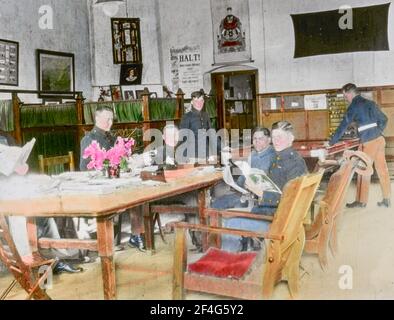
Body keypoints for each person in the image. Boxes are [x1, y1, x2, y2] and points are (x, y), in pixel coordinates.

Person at [0, 131, 82, 274]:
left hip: (13, 187)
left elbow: (17, 164)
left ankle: (57, 259)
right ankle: (25, 259)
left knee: (44, 213)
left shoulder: (5, 137)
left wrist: (22, 168)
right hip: (5, 196)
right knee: (19, 214)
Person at [221, 121, 308, 252]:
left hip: (278, 221)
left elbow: (289, 200)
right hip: (275, 214)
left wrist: (260, 193)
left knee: (230, 223)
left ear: (291, 138)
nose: (276, 140)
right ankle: (243, 257)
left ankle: (229, 266)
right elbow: (278, 189)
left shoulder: (293, 163)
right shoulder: (284, 158)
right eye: (274, 137)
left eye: (281, 136)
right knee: (233, 215)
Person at [79, 105, 145, 251]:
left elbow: (120, 160)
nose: (109, 123)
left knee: (138, 192)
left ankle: (136, 234)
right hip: (98, 186)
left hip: (114, 181)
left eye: (111, 119)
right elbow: (84, 169)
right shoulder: (89, 139)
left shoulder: (112, 138)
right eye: (106, 119)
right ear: (97, 119)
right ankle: (109, 240)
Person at [329, 83, 391, 208]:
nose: (346, 98)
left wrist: (331, 142)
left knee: (363, 170)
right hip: (379, 139)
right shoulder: (370, 103)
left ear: (349, 93)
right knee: (382, 170)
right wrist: (377, 131)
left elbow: (343, 125)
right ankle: (387, 199)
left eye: (345, 96)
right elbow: (384, 119)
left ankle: (361, 201)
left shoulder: (354, 106)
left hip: (369, 142)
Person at [212, 126, 275, 210]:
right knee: (217, 201)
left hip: (258, 198)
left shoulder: (272, 156)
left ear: (269, 140)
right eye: (255, 139)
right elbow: (245, 175)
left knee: (219, 204)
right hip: (245, 192)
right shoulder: (254, 153)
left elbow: (263, 183)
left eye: (261, 139)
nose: (257, 141)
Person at [179, 89, 215, 162]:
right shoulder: (186, 117)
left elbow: (211, 135)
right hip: (192, 156)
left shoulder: (205, 115)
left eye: (201, 100)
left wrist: (213, 151)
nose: (199, 103)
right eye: (196, 101)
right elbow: (183, 138)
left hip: (206, 154)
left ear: (204, 101)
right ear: (192, 102)